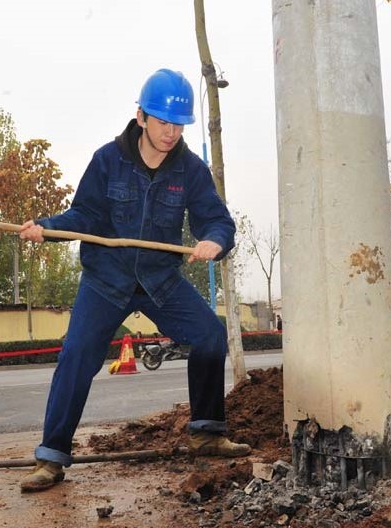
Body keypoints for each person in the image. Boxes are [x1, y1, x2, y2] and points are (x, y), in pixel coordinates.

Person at [17, 68, 250, 492]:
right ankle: (51, 457)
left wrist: (214, 241)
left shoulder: (190, 170)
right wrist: (46, 228)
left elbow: (217, 220)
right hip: (106, 281)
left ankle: (207, 433)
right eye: (163, 122)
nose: (171, 133)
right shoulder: (108, 160)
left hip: (160, 281)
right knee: (77, 354)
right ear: (141, 117)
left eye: (179, 124)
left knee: (210, 336)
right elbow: (83, 216)